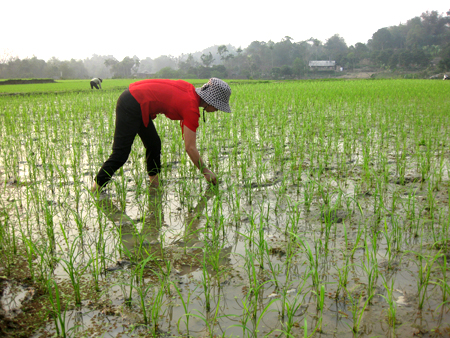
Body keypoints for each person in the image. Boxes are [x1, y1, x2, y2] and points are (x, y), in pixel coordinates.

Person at [91, 78, 232, 192]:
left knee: (154, 144)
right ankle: (95, 189)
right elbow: (190, 147)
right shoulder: (191, 107)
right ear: (211, 102)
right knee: (120, 154)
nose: (218, 110)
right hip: (132, 102)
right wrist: (206, 171)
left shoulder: (190, 92)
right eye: (219, 106)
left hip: (136, 99)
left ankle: (154, 185)